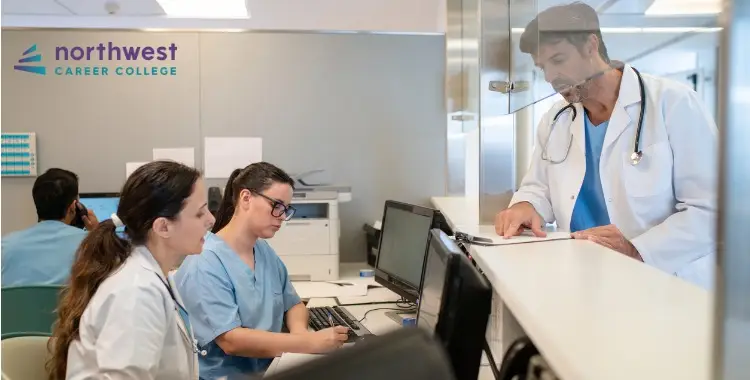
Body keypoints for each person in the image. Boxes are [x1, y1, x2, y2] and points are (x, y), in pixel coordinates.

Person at [494, 2, 717, 289]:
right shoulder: (556, 119)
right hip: (583, 279)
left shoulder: (674, 104)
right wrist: (526, 205)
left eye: (558, 60)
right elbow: (538, 187)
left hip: (663, 283)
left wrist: (637, 249)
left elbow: (712, 212)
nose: (550, 77)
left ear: (591, 45)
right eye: (543, 67)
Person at [175, 162, 349, 379]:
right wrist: (307, 343)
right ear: (246, 198)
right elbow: (231, 341)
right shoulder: (205, 262)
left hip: (272, 367)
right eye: (276, 205)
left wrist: (300, 337)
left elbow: (293, 304)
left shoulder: (262, 250)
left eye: (286, 209)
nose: (282, 217)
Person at [47, 160, 215, 379]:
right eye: (200, 213)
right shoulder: (136, 291)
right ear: (163, 226)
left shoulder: (153, 275)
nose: (211, 220)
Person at [1, 168, 99, 287]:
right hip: (70, 306)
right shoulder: (90, 246)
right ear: (74, 207)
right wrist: (98, 233)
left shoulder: (5, 246)